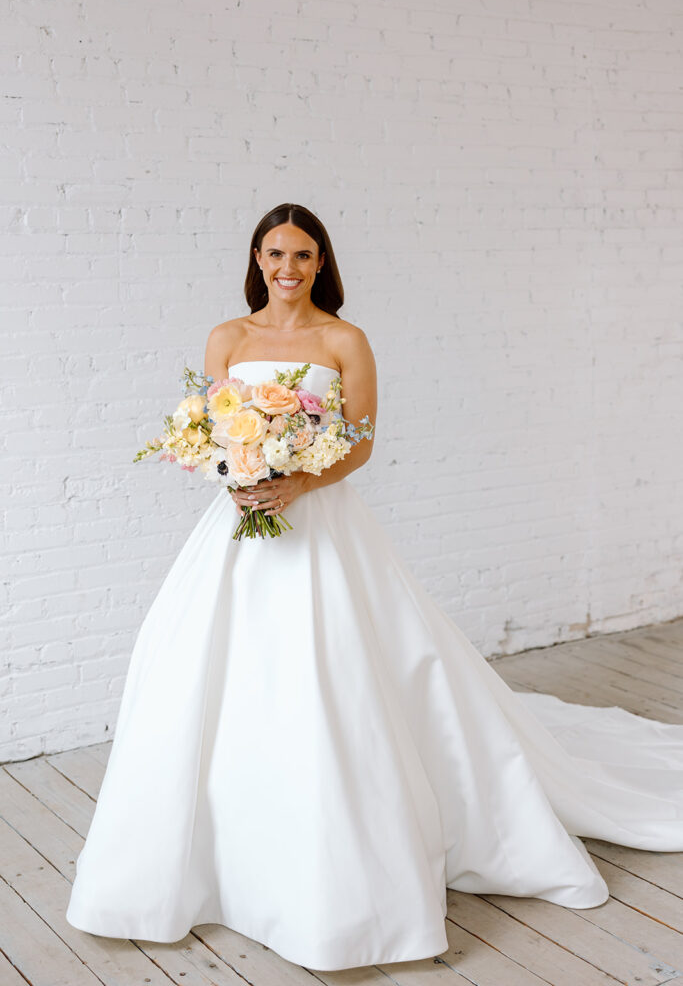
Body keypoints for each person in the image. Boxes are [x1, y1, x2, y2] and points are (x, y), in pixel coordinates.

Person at [66, 202, 683, 972]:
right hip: (240, 524)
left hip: (317, 519)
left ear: (321, 262)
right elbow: (216, 425)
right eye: (273, 254)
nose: (286, 269)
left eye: (301, 255)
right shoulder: (227, 336)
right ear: (255, 258)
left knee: (338, 674)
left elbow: (357, 443)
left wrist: (297, 484)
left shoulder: (342, 339)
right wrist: (237, 473)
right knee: (206, 671)